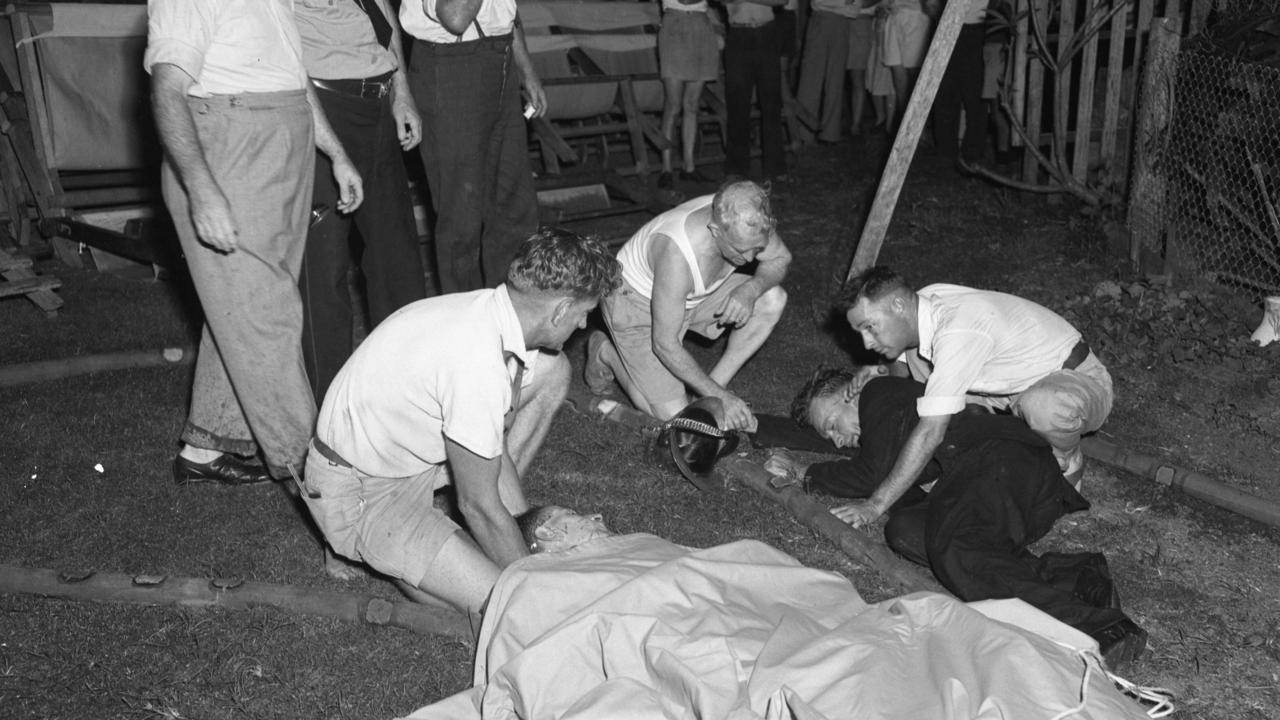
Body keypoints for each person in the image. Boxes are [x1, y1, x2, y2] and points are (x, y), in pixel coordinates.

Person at [300, 229, 621, 619]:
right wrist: (535, 580)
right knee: (510, 606)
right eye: (583, 312)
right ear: (558, 310)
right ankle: (363, 541)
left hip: (401, 452)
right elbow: (477, 505)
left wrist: (517, 526)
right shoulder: (477, 364)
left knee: (552, 369)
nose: (584, 324)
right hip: (361, 488)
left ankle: (465, 533)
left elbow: (491, 443)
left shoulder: (491, 311)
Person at [762, 369, 1148, 669]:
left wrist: (807, 476)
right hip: (995, 490)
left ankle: (1095, 625)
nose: (837, 441)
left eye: (833, 425)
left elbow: (870, 472)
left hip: (1004, 460)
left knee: (956, 545)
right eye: (828, 437)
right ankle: (1075, 577)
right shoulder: (882, 428)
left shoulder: (882, 396)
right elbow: (860, 458)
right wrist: (749, 425)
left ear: (852, 393)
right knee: (907, 531)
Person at [147, 0, 364, 486]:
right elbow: (168, 91)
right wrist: (201, 189)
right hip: (227, 147)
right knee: (267, 314)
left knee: (247, 302)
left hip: (281, 141)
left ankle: (205, 446)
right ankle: (322, 481)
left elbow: (294, 77)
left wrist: (337, 153)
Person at [840, 266, 1113, 507]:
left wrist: (875, 505)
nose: (866, 343)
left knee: (1042, 406)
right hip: (1009, 386)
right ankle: (971, 444)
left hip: (1074, 381)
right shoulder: (922, 303)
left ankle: (1067, 459)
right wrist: (881, 378)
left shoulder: (958, 330)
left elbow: (930, 431)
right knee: (916, 354)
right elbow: (901, 368)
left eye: (870, 327)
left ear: (898, 305)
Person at [295, 0, 427, 404]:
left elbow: (382, 11)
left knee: (398, 260)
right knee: (324, 268)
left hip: (379, 104)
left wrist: (401, 91)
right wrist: (330, 146)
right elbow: (283, 51)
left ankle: (407, 393)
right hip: (325, 107)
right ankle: (329, 411)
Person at [585, 181, 791, 431]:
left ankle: (710, 398)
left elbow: (780, 258)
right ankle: (605, 352)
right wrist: (726, 400)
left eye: (756, 249)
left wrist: (750, 289)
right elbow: (665, 344)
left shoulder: (751, 220)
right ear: (715, 230)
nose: (750, 259)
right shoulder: (677, 253)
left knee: (772, 299)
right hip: (635, 302)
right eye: (741, 250)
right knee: (674, 419)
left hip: (692, 296)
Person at [399, 0, 546, 293]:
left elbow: (508, 14)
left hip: (499, 59)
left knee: (513, 208)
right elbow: (455, 16)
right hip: (452, 66)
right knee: (461, 220)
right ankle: (466, 325)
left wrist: (526, 70)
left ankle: (510, 318)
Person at [656, 0, 720, 190]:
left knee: (692, 104)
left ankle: (689, 166)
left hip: (701, 25)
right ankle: (666, 168)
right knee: (673, 105)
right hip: (675, 25)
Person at [722, 0, 787, 181]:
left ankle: (775, 167)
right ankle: (736, 168)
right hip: (738, 34)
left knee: (772, 103)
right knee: (737, 104)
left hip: (767, 33)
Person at [933, 0, 988, 167]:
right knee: (945, 93)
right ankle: (946, 153)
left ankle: (972, 154)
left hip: (976, 29)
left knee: (974, 96)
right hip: (948, 26)